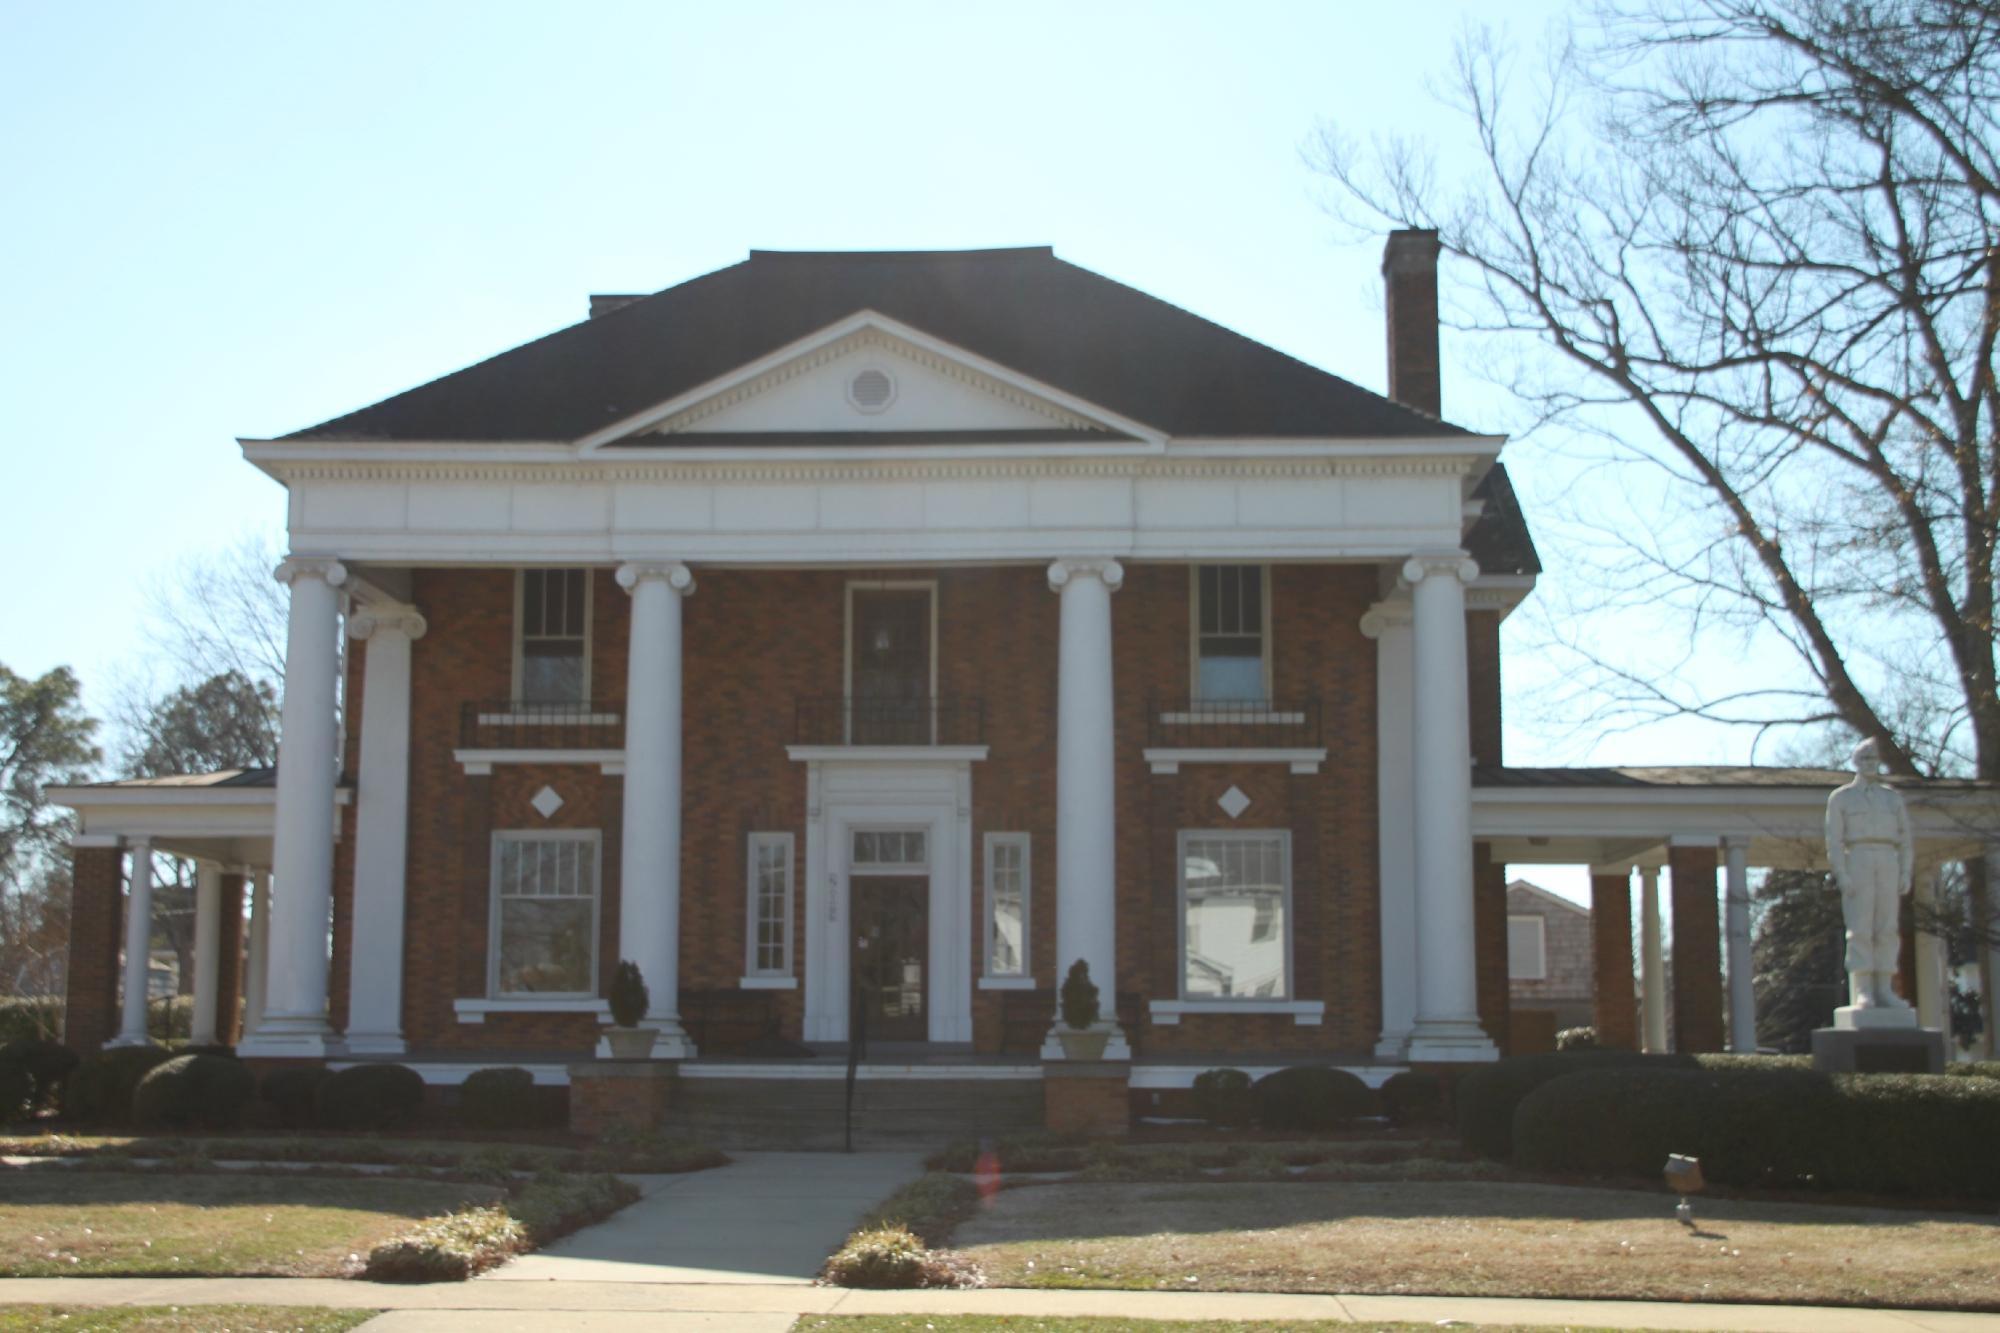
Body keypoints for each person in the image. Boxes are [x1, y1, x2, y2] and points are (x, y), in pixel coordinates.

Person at [1824, 737, 1916, 1012]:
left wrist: (1905, 870)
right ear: (1855, 762)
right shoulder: (1841, 798)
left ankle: (1884, 989)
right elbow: (1834, 840)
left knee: (1887, 926)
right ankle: (1863, 989)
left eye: (1874, 759)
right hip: (1859, 858)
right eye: (1864, 759)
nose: (1870, 764)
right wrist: (1842, 873)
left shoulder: (1892, 798)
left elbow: (1906, 838)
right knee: (1861, 926)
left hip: (1887, 858)